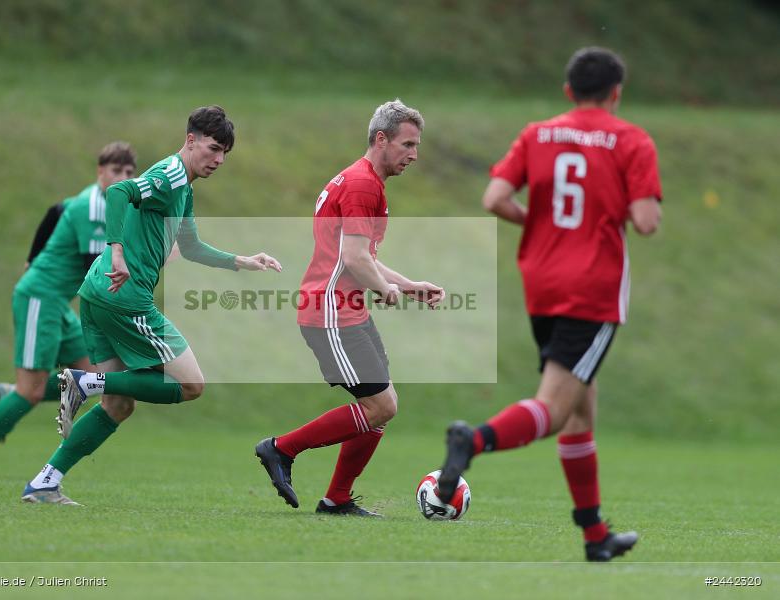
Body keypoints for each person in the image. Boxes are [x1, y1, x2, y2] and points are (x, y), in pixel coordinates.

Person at [437, 47, 662, 561]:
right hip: (593, 288)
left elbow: (494, 198)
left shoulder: (537, 134)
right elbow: (646, 223)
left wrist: (542, 221)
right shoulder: (631, 141)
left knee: (582, 407)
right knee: (557, 407)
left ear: (568, 91)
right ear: (617, 93)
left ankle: (594, 535)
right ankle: (472, 441)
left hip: (541, 282)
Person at [21, 106, 282, 505]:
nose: (219, 160)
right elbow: (121, 191)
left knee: (119, 405)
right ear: (190, 140)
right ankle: (84, 382)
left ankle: (45, 482)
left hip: (97, 293)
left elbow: (190, 246)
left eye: (225, 153)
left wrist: (242, 260)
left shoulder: (184, 188)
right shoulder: (171, 174)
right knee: (192, 384)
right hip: (124, 297)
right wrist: (118, 251)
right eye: (213, 149)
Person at [255, 99, 445, 516]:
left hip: (347, 309)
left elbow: (361, 256)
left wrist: (406, 285)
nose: (414, 155)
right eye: (407, 144)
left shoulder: (363, 181)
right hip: (330, 312)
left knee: (381, 406)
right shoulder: (362, 184)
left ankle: (337, 498)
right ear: (381, 139)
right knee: (381, 406)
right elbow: (357, 260)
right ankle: (280, 449)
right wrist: (384, 290)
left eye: (417, 145)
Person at [0, 142, 137, 476]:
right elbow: (100, 271)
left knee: (95, 377)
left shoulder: (91, 202)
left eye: (129, 173)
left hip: (56, 303)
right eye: (116, 171)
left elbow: (55, 210)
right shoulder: (93, 209)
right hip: (40, 298)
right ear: (100, 172)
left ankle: (11, 394)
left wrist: (31, 259)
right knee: (32, 391)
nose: (122, 177)